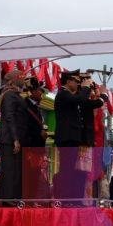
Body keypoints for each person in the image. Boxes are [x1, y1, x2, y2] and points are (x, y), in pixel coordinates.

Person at [53, 70, 97, 200]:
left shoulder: (69, 95)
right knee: (67, 169)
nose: (78, 84)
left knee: (72, 170)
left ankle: (70, 197)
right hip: (67, 138)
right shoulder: (63, 93)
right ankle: (65, 197)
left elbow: (82, 100)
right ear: (68, 81)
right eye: (76, 81)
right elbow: (79, 98)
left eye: (79, 82)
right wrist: (85, 87)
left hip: (71, 138)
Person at [0, 70, 27, 200]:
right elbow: (9, 117)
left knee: (15, 171)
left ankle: (12, 198)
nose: (24, 79)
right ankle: (8, 199)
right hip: (8, 139)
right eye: (21, 77)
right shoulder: (9, 95)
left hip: (12, 138)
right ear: (13, 80)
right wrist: (15, 139)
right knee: (9, 171)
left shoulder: (15, 94)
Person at [21, 77, 49, 199]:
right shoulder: (25, 105)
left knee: (35, 178)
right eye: (39, 90)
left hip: (37, 148)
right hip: (30, 148)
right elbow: (24, 128)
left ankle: (31, 200)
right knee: (29, 178)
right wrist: (39, 134)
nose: (41, 93)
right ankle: (28, 201)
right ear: (31, 92)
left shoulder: (36, 107)